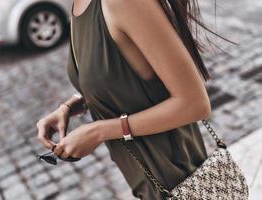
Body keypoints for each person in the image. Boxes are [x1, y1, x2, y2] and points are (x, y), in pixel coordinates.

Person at [36, 0, 230, 199]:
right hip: (147, 187)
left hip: (181, 180)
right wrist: (69, 106)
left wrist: (99, 131)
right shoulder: (78, 5)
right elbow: (115, 75)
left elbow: (194, 103)